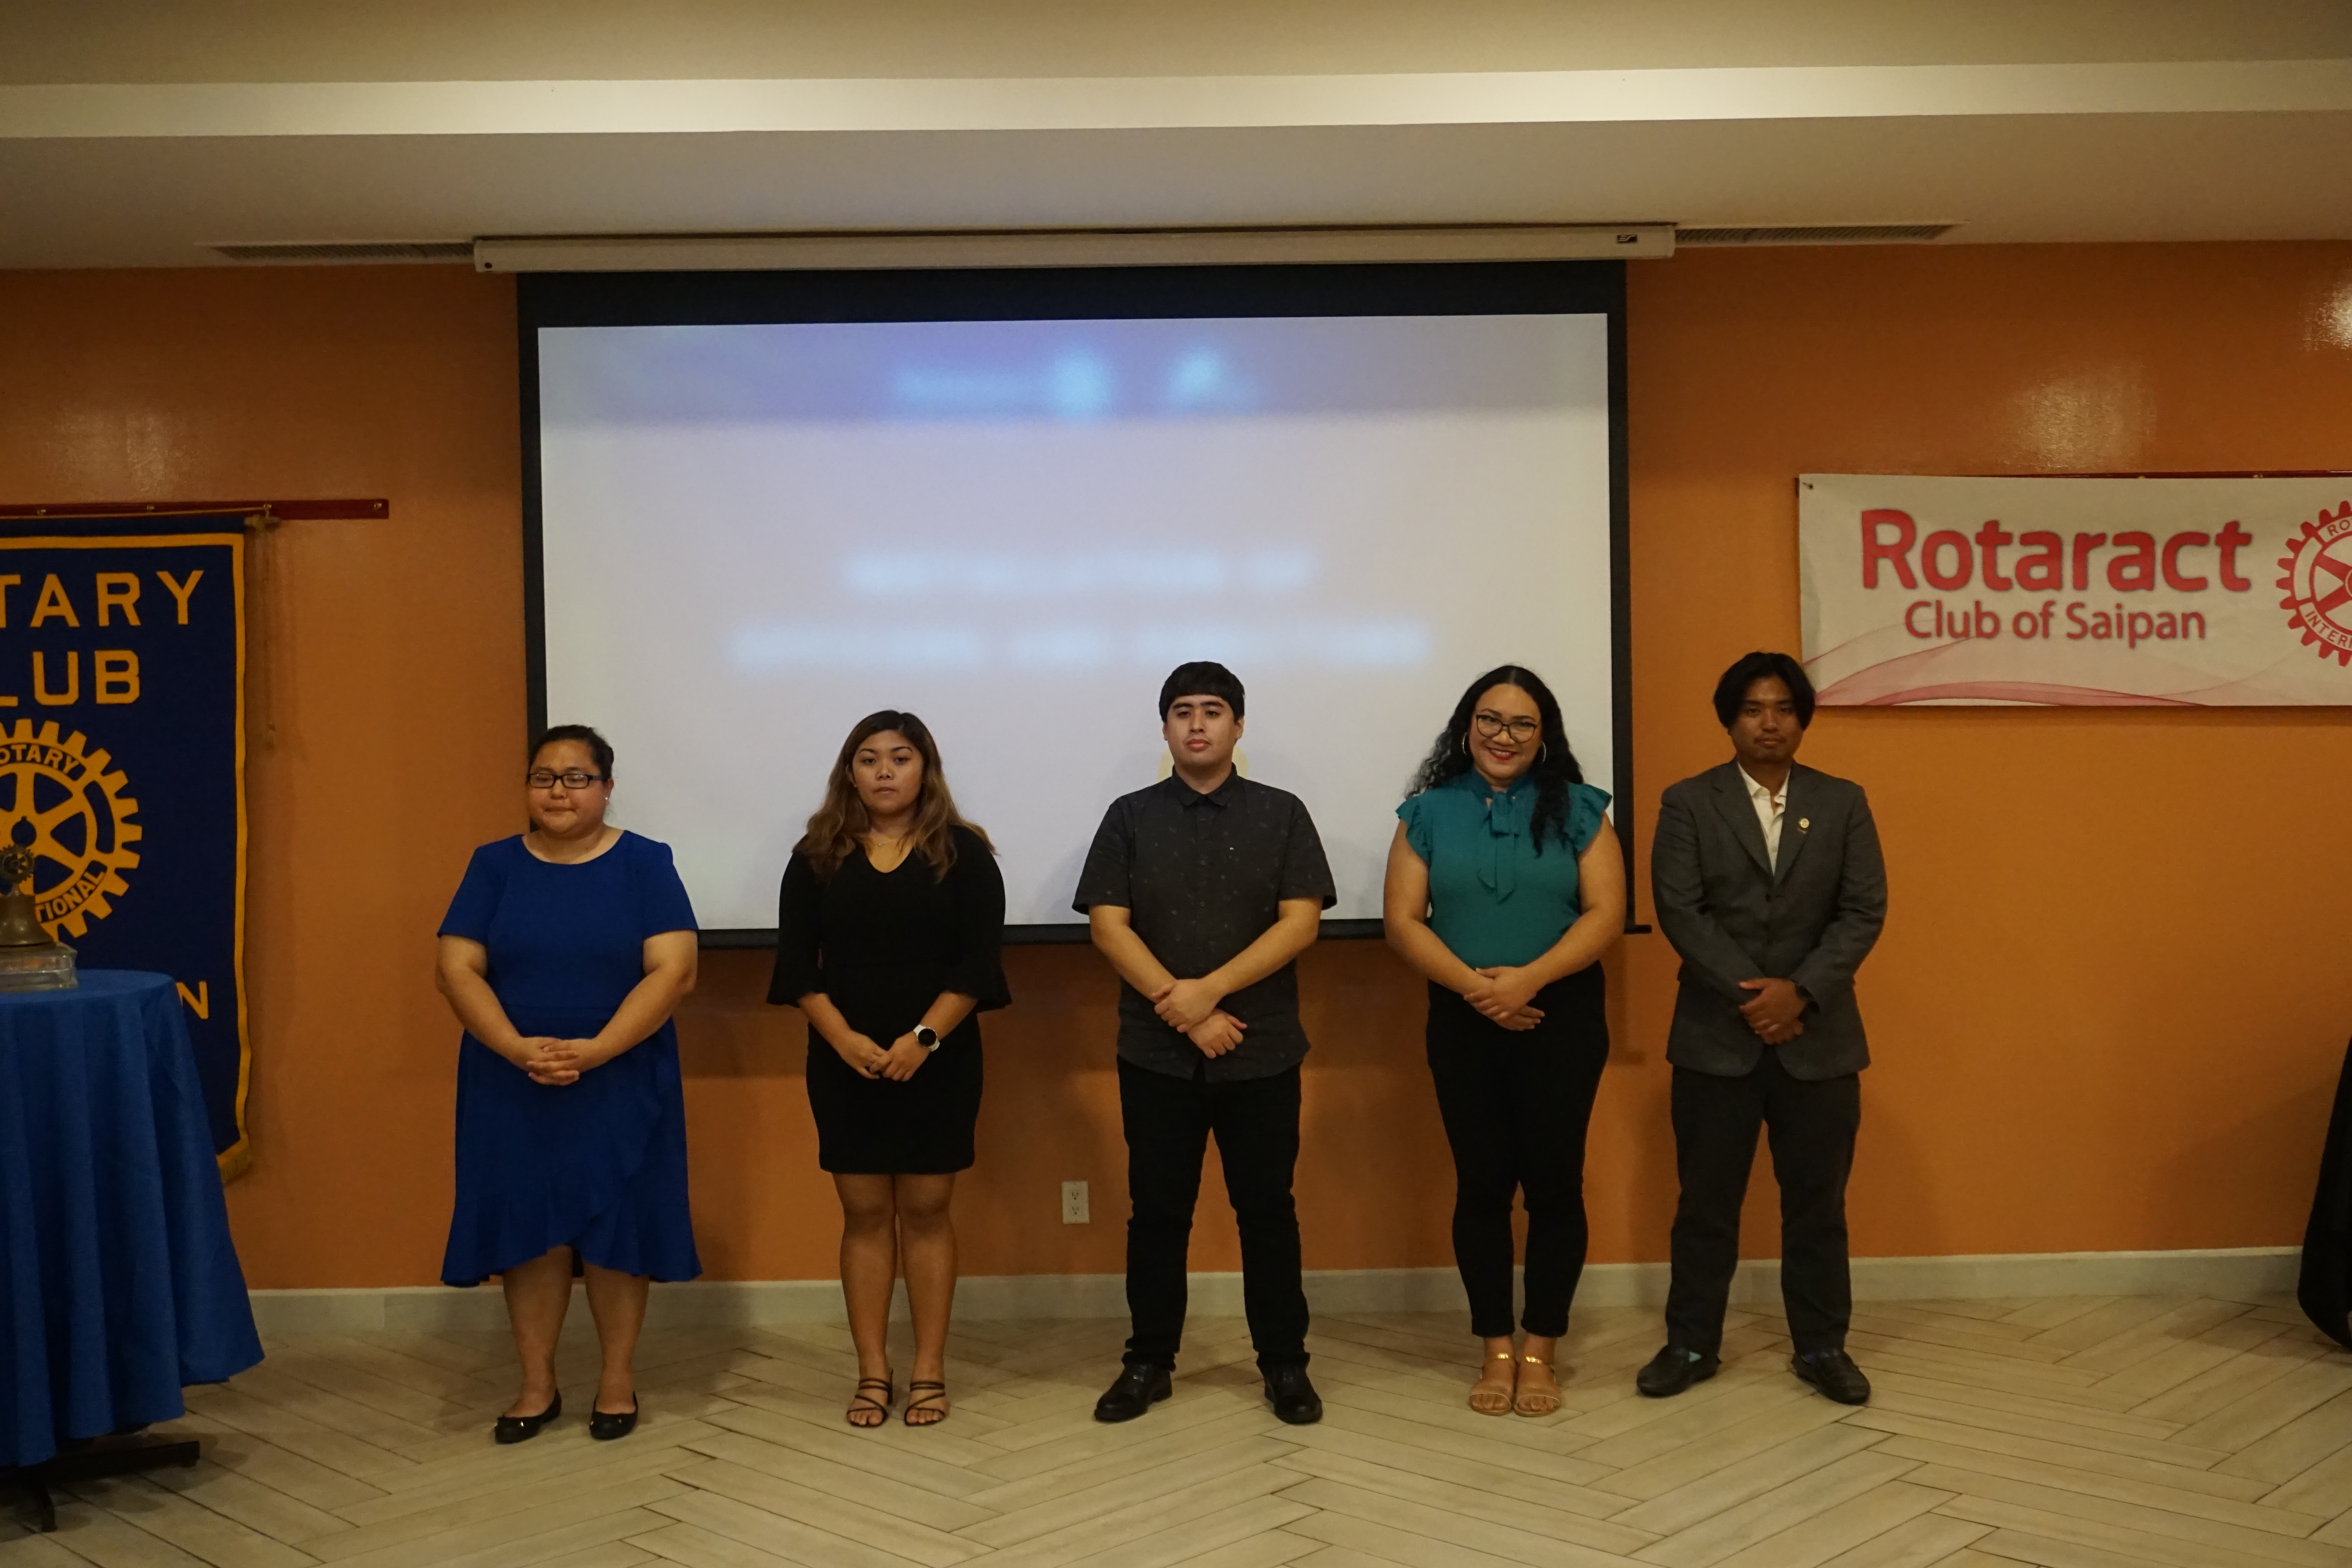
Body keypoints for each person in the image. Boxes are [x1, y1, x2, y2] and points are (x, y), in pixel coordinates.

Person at [1074, 661, 1336, 1427]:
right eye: (1182, 711)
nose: (1197, 723)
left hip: (1263, 1050)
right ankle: (1148, 1361)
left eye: (1213, 710)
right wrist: (1186, 1012)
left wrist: (1209, 989)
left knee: (1267, 1210)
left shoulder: (1282, 813)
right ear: (1165, 728)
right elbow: (1107, 925)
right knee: (1157, 1212)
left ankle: (1284, 1364)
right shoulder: (1129, 816)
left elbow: (1300, 922)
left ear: (1238, 725)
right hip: (1155, 1054)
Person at [435, 724, 701, 1445]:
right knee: (528, 1231)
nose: (558, 790)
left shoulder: (647, 863)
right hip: (511, 1076)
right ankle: (536, 1383)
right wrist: (520, 1049)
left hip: (621, 1072)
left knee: (618, 1227)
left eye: (577, 777)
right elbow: (456, 969)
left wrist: (598, 1051)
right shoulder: (492, 866)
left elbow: (675, 970)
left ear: (607, 788)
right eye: (544, 777)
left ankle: (617, 1379)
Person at [1636, 652, 1888, 1406]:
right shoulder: (1688, 802)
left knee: (1818, 1207)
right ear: (1729, 719)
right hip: (1717, 1038)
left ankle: (1822, 1348)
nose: (1769, 723)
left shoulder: (1843, 802)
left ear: (1803, 718)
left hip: (1822, 1041)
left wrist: (1800, 994)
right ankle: (1690, 1344)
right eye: (1752, 709)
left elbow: (1862, 911)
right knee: (1705, 1205)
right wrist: (1757, 997)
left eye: (1783, 708)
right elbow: (1682, 910)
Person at [1383, 666, 1623, 1417]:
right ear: (1467, 727)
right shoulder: (1426, 813)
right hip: (1462, 1019)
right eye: (1491, 720)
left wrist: (1525, 983)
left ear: (1543, 737)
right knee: (1482, 1188)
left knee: (1555, 1187)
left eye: (1522, 725)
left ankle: (1540, 1351)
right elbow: (1403, 922)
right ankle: (1493, 1348)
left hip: (1562, 1017)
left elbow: (1605, 915)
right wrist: (1479, 990)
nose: (1504, 737)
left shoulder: (1583, 811)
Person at [769, 711, 1008, 1429]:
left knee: (929, 1212)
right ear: (850, 772)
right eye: (867, 759)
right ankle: (874, 1371)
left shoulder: (964, 853)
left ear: (924, 769)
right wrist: (844, 1040)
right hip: (846, 1061)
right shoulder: (816, 855)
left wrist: (923, 1040)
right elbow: (794, 965)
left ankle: (930, 1369)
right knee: (865, 1214)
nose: (883, 771)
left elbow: (978, 966)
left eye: (899, 758)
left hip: (938, 1059)